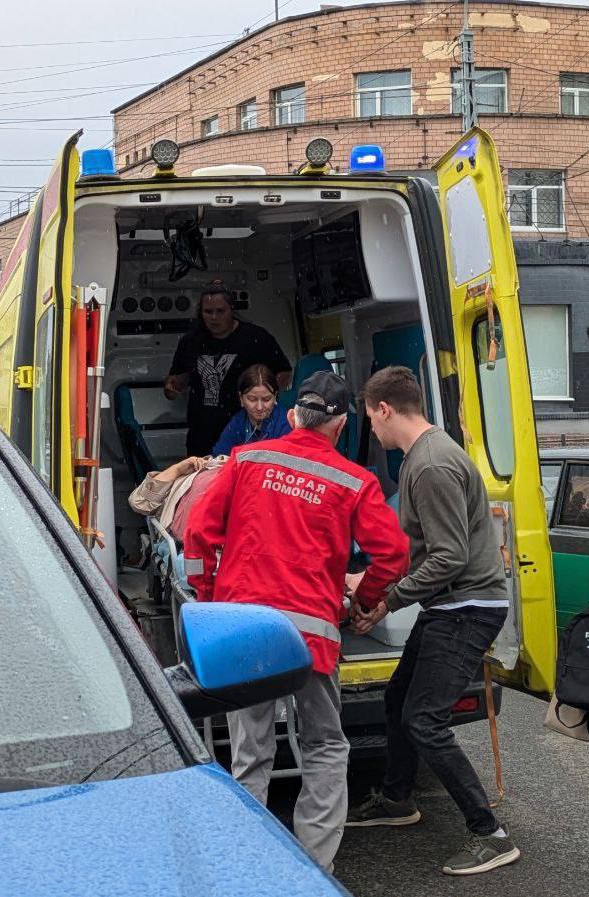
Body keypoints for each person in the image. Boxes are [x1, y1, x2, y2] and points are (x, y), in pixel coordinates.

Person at [183, 371, 408, 871]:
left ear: (291, 416)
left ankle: (248, 865)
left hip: (244, 629)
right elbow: (393, 554)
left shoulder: (246, 459)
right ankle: (314, 867)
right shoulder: (355, 481)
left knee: (250, 753)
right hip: (311, 637)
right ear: (341, 425)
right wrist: (363, 601)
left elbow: (199, 531)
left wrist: (209, 597)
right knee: (324, 743)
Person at [346, 366, 520, 878]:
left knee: (425, 720)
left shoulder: (430, 465)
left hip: (466, 608)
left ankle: (490, 835)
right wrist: (371, 584)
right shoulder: (422, 457)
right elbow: (423, 551)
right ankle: (397, 799)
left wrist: (389, 601)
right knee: (399, 699)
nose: (371, 428)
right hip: (450, 605)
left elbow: (448, 556)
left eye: (370, 417)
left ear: (384, 409)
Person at [165, 282, 292, 457]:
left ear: (231, 309)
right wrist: (173, 387)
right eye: (208, 312)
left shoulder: (256, 337)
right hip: (202, 432)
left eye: (220, 311)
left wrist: (263, 400)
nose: (214, 317)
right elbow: (175, 380)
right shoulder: (190, 341)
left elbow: (284, 372)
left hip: (244, 429)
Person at [211, 364, 291, 457]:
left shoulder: (287, 423)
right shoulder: (237, 422)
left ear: (275, 397)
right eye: (252, 399)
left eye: (266, 399)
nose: (259, 407)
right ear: (241, 398)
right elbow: (219, 456)